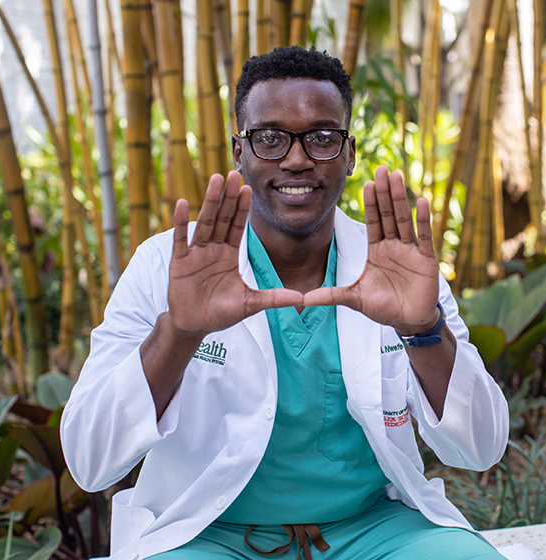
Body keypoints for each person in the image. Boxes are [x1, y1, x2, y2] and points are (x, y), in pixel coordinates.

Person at [61, 46, 509, 560]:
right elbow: (90, 460)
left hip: (374, 530)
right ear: (239, 151)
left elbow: (480, 448)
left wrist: (424, 330)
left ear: (349, 152)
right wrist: (178, 335)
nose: (297, 159)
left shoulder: (398, 264)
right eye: (269, 138)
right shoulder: (164, 265)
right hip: (208, 535)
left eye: (322, 137)